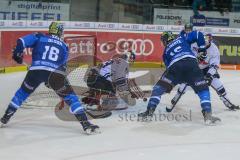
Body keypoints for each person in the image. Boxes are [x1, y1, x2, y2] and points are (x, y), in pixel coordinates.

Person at [0, 22, 99, 134]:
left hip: (36, 71)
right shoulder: (64, 46)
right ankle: (86, 124)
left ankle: (4, 119)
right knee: (71, 98)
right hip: (55, 74)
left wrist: (17, 54)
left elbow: (21, 41)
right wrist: (51, 81)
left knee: (21, 94)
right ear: (60, 31)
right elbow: (63, 67)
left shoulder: (40, 36)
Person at [138, 31, 221, 125]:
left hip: (175, 68)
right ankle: (208, 115)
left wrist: (169, 82)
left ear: (165, 40)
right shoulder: (182, 38)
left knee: (158, 89)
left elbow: (168, 67)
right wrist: (202, 48)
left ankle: (149, 112)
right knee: (203, 89)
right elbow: (198, 34)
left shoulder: (165, 53)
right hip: (191, 65)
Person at [170, 33, 239, 111]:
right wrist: (195, 59)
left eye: (207, 41)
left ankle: (227, 102)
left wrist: (209, 75)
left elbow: (214, 65)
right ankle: (176, 97)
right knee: (184, 84)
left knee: (217, 83)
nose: (204, 43)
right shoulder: (193, 45)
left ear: (211, 41)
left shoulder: (214, 49)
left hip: (206, 68)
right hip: (194, 67)